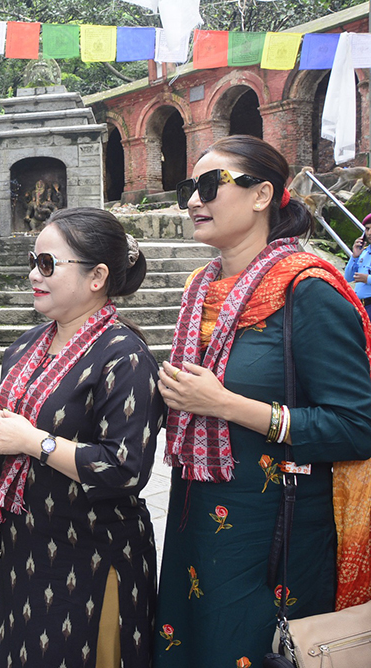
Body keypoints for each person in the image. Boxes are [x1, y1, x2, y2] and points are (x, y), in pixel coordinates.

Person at [154, 135, 371, 668]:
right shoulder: (199, 290)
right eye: (188, 188)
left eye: (210, 185)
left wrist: (227, 405)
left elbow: (357, 425)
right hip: (193, 517)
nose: (193, 200)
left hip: (274, 536)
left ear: (262, 195)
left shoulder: (307, 290)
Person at [0, 207, 164, 667]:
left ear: (97, 276)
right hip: (23, 547)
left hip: (92, 552)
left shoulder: (125, 357)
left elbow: (125, 468)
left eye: (48, 264)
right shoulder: (26, 346)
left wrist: (32, 441)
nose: (34, 275)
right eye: (33, 262)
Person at [344, 216, 371, 319]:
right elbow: (348, 277)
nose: (369, 233)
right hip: (360, 305)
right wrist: (354, 257)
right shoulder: (364, 252)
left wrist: (367, 279)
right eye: (367, 229)